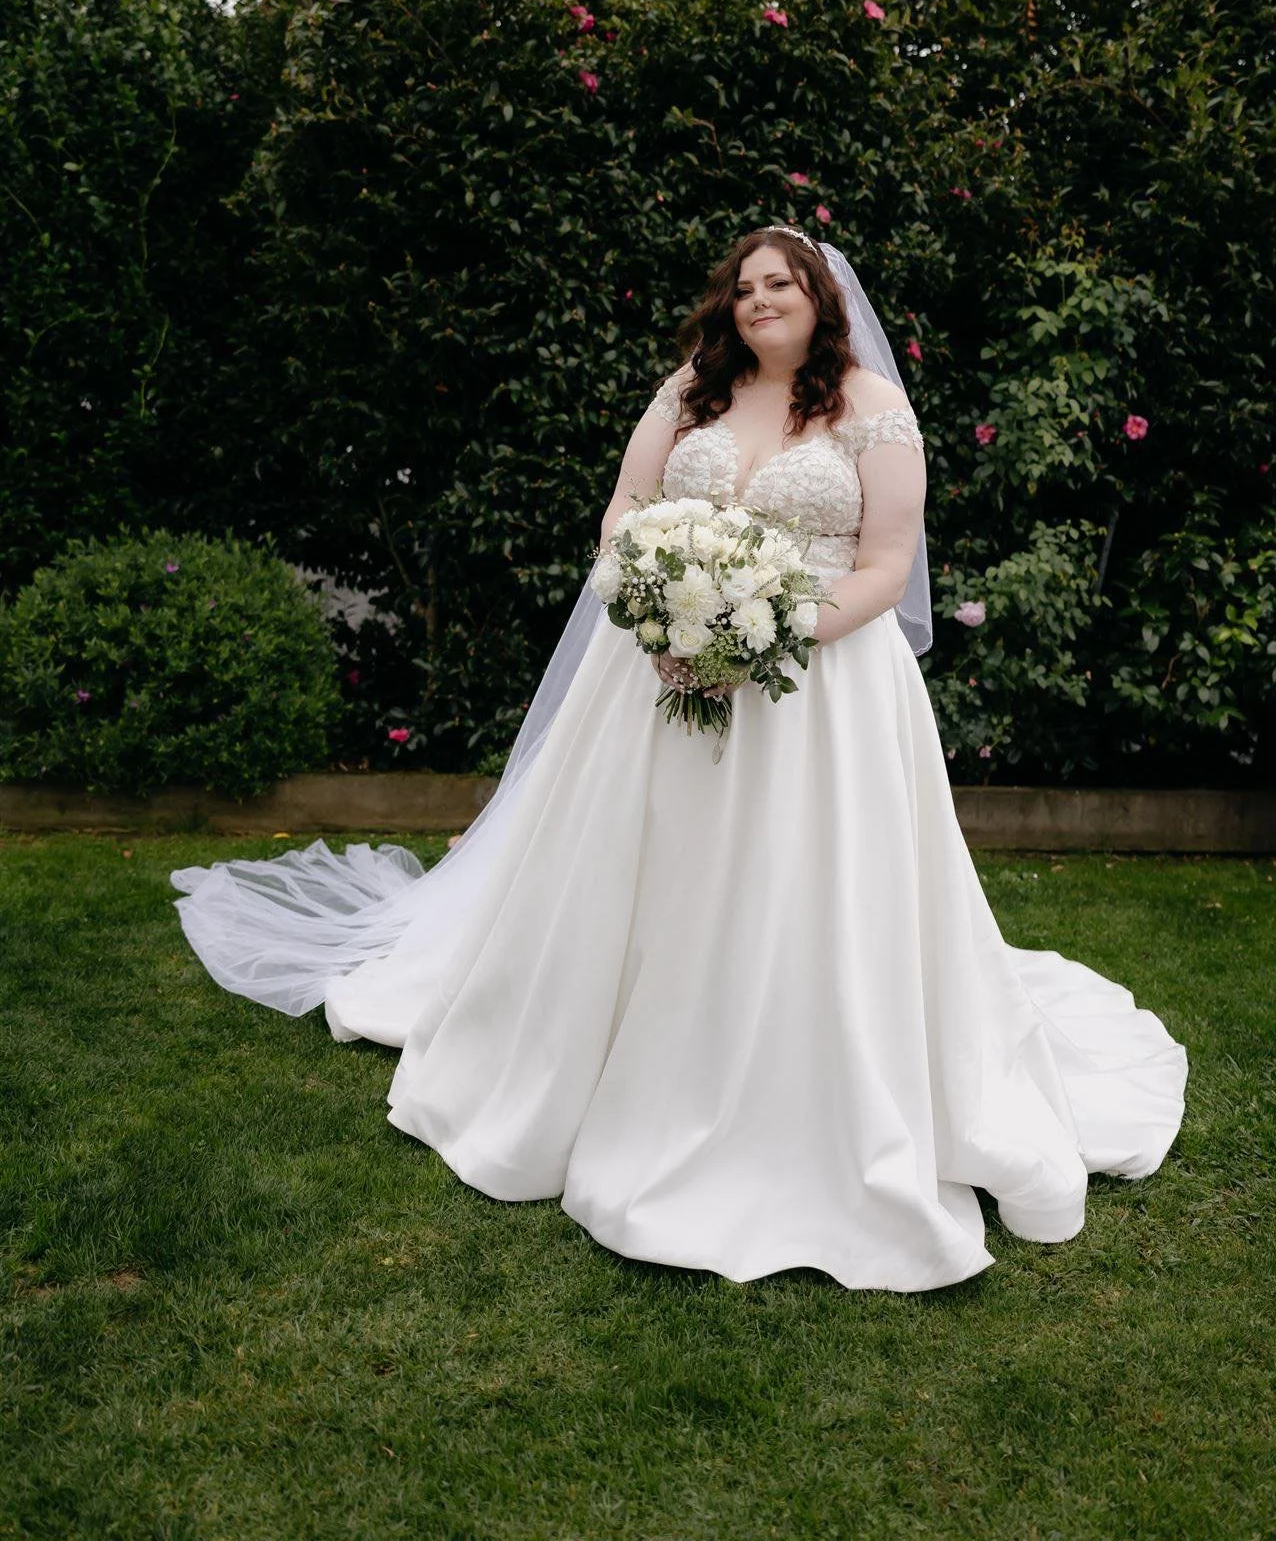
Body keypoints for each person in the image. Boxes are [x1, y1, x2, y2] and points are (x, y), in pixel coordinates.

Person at [172, 228, 1187, 1293]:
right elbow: (625, 512)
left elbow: (888, 565)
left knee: (795, 888)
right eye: (743, 286)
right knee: (640, 869)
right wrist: (658, 612)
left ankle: (788, 1083)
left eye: (779, 283)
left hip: (819, 697)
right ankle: (593, 1061)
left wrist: (768, 638)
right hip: (656, 677)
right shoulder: (690, 393)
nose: (758, 299)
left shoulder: (872, 407)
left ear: (820, 298)